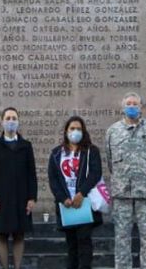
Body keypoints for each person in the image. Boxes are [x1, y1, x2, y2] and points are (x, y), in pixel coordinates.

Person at [105, 92, 146, 269]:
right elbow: (109, 160)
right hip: (122, 193)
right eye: (128, 104)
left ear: (141, 107)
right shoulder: (112, 131)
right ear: (123, 107)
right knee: (122, 239)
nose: (132, 107)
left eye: (135, 104)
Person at [0, 107, 37, 269]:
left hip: (21, 197)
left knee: (19, 234)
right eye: (7, 118)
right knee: (1, 234)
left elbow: (31, 174)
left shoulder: (26, 146)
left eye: (14, 118)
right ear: (2, 122)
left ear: (18, 121)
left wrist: (32, 198)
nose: (11, 121)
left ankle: (17, 266)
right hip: (1, 197)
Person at [47, 115, 102, 269]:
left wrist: (81, 193)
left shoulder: (91, 151)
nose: (75, 132)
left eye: (78, 129)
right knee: (71, 244)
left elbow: (95, 174)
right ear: (66, 131)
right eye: (72, 128)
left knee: (84, 241)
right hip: (67, 205)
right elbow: (53, 179)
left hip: (84, 203)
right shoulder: (56, 153)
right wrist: (63, 198)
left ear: (83, 132)